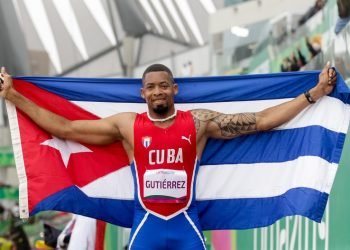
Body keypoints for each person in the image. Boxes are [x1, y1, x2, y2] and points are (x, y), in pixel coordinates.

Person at [0, 63, 337, 249]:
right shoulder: (128, 126)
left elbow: (261, 122)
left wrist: (314, 93)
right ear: (143, 92)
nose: (158, 91)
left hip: (187, 228)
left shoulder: (199, 122)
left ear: (174, 89)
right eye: (152, 87)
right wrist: (14, 95)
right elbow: (66, 129)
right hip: (145, 227)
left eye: (164, 85)